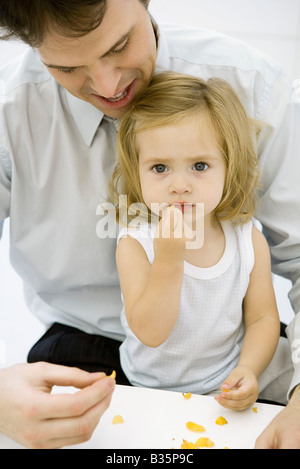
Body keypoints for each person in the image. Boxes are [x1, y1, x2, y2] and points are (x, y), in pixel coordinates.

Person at [0, 0, 298, 449]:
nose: (107, 84)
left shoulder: (254, 86)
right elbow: (151, 329)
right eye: (66, 66)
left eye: (120, 45)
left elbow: (267, 306)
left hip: (229, 347)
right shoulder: (12, 112)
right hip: (88, 340)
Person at [112, 71, 281, 411]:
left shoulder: (247, 240)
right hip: (148, 388)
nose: (179, 185)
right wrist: (169, 260)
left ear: (228, 168)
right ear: (137, 171)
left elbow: (263, 319)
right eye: (160, 168)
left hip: (222, 383)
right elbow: (150, 332)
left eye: (199, 165)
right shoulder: (136, 243)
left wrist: (248, 369)